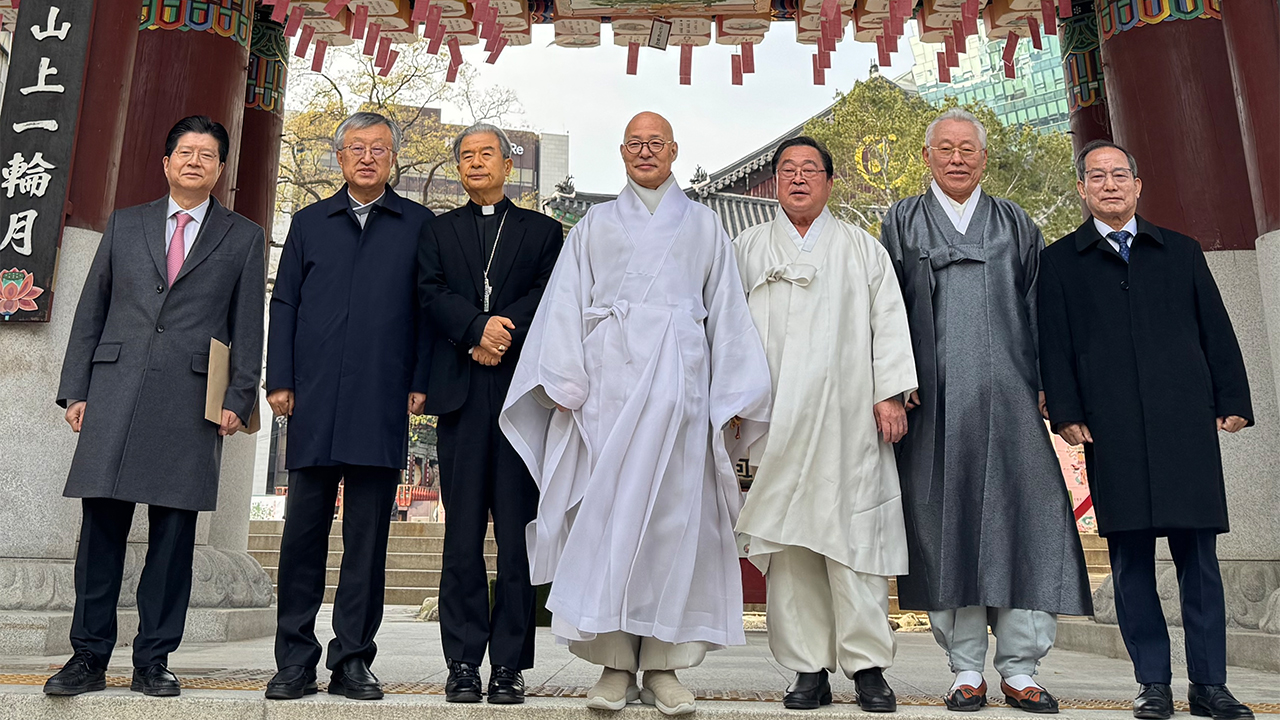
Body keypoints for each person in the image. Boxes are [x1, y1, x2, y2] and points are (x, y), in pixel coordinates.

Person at [498, 111, 772, 716]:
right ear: (622, 152)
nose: (645, 151)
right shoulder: (593, 224)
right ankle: (615, 665)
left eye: (656, 142)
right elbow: (565, 303)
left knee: (674, 525)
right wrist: (564, 379)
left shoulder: (703, 225)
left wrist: (732, 398)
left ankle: (667, 667)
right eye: (635, 143)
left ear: (675, 150)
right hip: (608, 392)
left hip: (681, 393)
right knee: (607, 523)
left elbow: (726, 311)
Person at [880, 108, 1092, 713]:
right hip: (934, 405)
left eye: (967, 148)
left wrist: (1053, 385)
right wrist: (893, 381)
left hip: (1014, 399)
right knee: (943, 523)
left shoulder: (1015, 222)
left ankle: (1021, 667)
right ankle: (964, 668)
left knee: (1028, 518)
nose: (956, 157)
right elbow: (884, 309)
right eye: (944, 147)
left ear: (984, 158)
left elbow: (1042, 309)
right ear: (926, 157)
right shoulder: (902, 221)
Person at [44, 116, 265, 698]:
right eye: (185, 152)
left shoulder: (242, 236)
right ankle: (87, 658)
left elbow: (248, 326)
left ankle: (153, 659)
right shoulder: (126, 224)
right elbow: (91, 309)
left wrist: (238, 399)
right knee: (100, 533)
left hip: (192, 400)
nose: (195, 161)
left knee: (173, 538)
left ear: (220, 169)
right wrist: (78, 389)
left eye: (207, 154)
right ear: (166, 163)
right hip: (115, 390)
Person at [1038, 140, 1255, 720]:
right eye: (1096, 176)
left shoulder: (1180, 252)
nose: (1109, 184)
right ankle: (1152, 684)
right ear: (1082, 190)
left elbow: (1216, 328)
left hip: (1185, 427)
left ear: (1138, 186)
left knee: (1200, 564)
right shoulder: (1060, 262)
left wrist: (1233, 397)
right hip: (1114, 432)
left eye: (1119, 175)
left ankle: (1211, 685)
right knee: (1132, 563)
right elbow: (1053, 347)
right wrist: (1067, 412)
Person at [734, 136, 916, 712]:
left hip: (847, 419)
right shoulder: (746, 247)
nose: (798, 177)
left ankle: (867, 667)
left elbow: (889, 321)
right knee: (789, 549)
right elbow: (726, 330)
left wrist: (890, 393)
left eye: (810, 168)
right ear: (774, 182)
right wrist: (731, 397)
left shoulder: (863, 250)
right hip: (773, 420)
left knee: (853, 544)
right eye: (787, 169)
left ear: (830, 182)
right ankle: (806, 668)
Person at [264, 112, 433, 702]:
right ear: (339, 158)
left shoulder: (418, 224)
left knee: (367, 541)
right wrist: (279, 379)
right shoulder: (311, 222)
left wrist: (421, 380)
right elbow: (283, 303)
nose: (366, 158)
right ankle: (294, 660)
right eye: (356, 148)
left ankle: (353, 659)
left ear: (393, 160)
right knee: (301, 536)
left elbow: (427, 310)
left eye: (378, 149)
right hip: (313, 396)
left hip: (382, 397)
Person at [418, 123, 564, 704]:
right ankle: (461, 661)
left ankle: (509, 664)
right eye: (467, 156)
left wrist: (502, 328)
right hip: (459, 392)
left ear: (509, 165)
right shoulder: (438, 231)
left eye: (487, 155)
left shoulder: (544, 231)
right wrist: (475, 329)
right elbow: (428, 293)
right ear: (459, 168)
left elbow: (553, 293)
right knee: (460, 535)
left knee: (516, 534)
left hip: (518, 397)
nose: (476, 163)